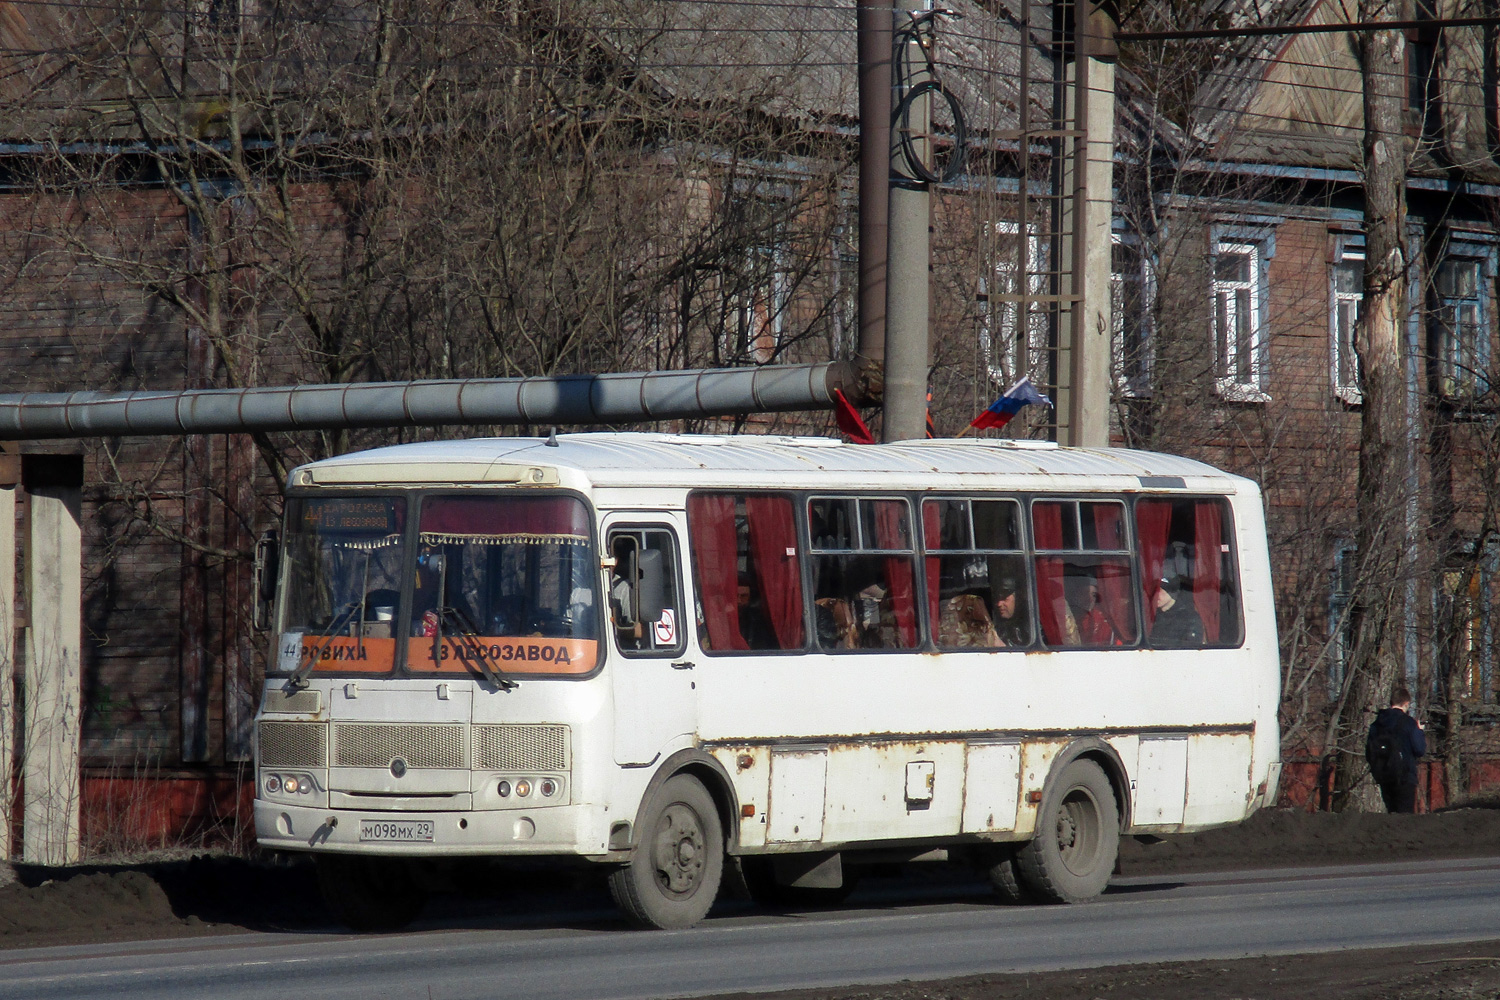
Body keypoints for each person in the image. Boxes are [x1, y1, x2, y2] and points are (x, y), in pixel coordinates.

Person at [1367, 687, 1426, 813]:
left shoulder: (1377, 724)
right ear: (1406, 704)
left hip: (1384, 775)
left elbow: (1369, 751)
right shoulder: (1408, 723)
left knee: (1391, 814)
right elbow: (1419, 749)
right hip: (1405, 776)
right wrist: (1419, 731)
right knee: (1404, 817)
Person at [1150, 572, 1204, 647]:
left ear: (1171, 593)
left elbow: (1190, 649)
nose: (1156, 595)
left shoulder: (1189, 619)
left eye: (1161, 591)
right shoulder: (1152, 617)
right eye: (1154, 591)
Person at [992, 576, 1028, 647]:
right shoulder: (994, 627)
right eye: (997, 599)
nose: (999, 604)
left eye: (1005, 599)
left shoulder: (1031, 628)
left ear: (1018, 599)